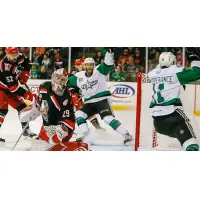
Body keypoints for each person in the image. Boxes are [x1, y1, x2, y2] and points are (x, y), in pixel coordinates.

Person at [67, 48, 133, 145]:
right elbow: (65, 81)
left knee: (107, 119)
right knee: (79, 114)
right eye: (87, 65)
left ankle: (127, 134)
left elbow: (108, 64)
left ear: (94, 65)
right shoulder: (78, 76)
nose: (89, 67)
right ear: (84, 66)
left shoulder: (99, 70)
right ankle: (86, 135)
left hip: (102, 100)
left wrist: (107, 53)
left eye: (91, 65)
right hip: (89, 102)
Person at [19, 68, 88, 151]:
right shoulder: (43, 87)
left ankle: (78, 146)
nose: (59, 81)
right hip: (46, 126)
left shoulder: (66, 96)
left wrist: (59, 132)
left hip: (63, 129)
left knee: (48, 143)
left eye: (62, 79)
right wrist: (30, 113)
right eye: (57, 77)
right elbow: (38, 104)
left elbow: (69, 121)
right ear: (53, 77)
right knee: (37, 145)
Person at [148, 52, 200, 151]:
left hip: (157, 123)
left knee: (182, 141)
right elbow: (197, 73)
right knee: (191, 144)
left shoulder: (153, 74)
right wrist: (195, 61)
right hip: (173, 117)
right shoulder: (175, 71)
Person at [0, 47, 35, 142]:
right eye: (12, 55)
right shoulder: (4, 66)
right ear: (6, 54)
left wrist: (26, 73)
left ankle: (26, 131)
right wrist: (25, 94)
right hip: (1, 88)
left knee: (23, 108)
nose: (14, 57)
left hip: (9, 88)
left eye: (15, 54)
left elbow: (27, 63)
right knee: (2, 110)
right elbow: (14, 89)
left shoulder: (20, 57)